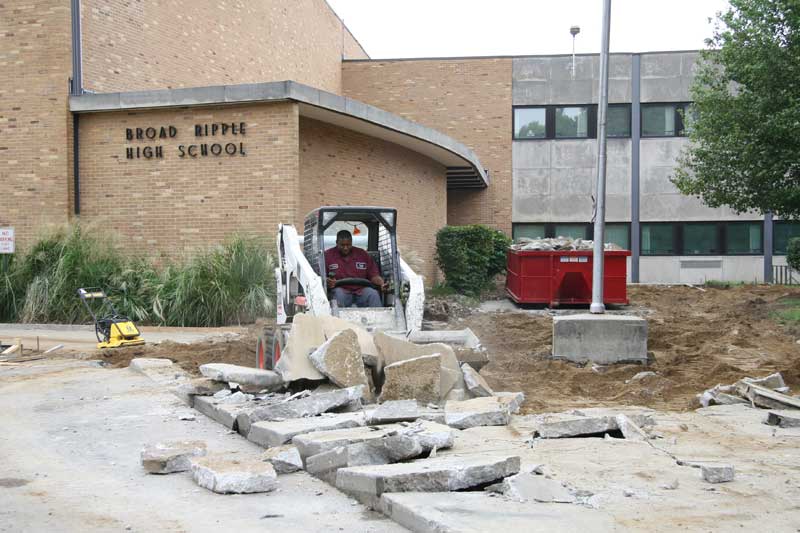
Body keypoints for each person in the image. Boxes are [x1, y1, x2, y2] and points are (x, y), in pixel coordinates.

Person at [324, 229, 385, 307]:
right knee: (338, 295)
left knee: (373, 294)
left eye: (348, 245)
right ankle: (337, 318)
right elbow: (321, 277)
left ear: (352, 242)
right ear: (336, 243)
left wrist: (382, 283)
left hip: (361, 290)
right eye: (342, 245)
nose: (345, 248)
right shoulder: (327, 256)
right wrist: (328, 281)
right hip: (341, 290)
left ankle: (378, 318)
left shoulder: (363, 254)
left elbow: (374, 275)